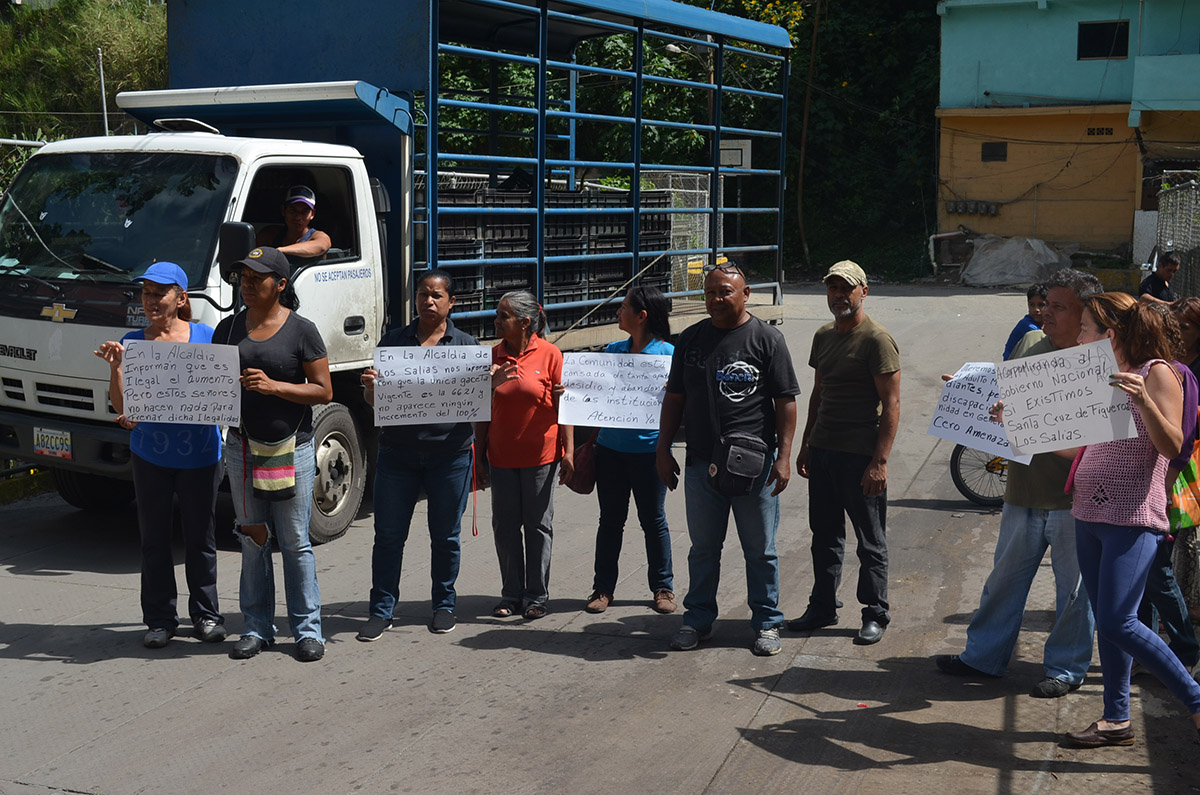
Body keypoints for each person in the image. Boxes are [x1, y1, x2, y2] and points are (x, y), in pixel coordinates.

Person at [934, 268, 1101, 698]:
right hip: (1022, 492)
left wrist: (1024, 419)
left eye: (1058, 307)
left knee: (1074, 594)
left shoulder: (1100, 361)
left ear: (1086, 312)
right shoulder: (1029, 344)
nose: (1045, 313)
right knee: (1002, 582)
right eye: (1046, 305)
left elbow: (1092, 439)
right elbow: (1002, 405)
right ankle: (982, 657)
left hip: (1074, 502)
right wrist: (968, 397)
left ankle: (1065, 669)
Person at [1063, 292, 1200, 748]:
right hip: (1089, 512)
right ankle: (1116, 719)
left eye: (1085, 328)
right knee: (1108, 620)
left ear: (1110, 333)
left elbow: (1173, 444)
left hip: (1133, 515)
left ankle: (1196, 700)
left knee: (1121, 620)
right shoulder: (1103, 378)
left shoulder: (1156, 373)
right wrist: (1016, 428)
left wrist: (1144, 401)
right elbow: (1080, 447)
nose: (1079, 336)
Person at [657, 263, 798, 657]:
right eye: (710, 293)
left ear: (745, 293)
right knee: (703, 548)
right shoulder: (690, 339)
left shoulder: (767, 339)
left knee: (761, 550)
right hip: (703, 463)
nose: (716, 300)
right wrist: (663, 448)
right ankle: (698, 620)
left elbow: (785, 402)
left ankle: (767, 622)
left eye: (725, 292)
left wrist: (783, 458)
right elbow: (675, 398)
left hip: (754, 466)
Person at [93, 262, 224, 649]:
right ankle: (160, 619)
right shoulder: (133, 342)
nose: (151, 299)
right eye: (146, 292)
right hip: (150, 454)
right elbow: (120, 405)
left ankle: (206, 614)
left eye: (160, 292)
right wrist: (116, 369)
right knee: (154, 539)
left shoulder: (206, 337)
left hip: (201, 454)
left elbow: (220, 393)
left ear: (181, 298)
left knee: (201, 539)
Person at [216, 246, 333, 662]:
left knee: (296, 542)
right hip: (241, 448)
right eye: (243, 278)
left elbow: (323, 391)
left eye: (256, 278)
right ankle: (255, 627)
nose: (246, 285)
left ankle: (307, 631)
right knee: (253, 539)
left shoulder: (302, 330)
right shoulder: (227, 330)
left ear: (280, 284)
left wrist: (274, 387)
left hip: (292, 450)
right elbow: (213, 388)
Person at [357, 269, 478, 640]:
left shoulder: (466, 347)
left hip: (450, 456)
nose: (429, 301)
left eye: (437, 295)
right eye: (424, 294)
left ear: (451, 302)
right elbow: (374, 403)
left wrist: (488, 384)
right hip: (398, 455)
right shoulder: (394, 343)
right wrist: (371, 388)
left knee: (446, 537)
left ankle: (443, 605)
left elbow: (476, 405)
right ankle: (381, 610)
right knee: (389, 536)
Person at [788, 260, 899, 646]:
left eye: (846, 289)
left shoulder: (876, 339)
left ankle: (875, 612)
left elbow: (892, 404)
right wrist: (806, 444)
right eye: (833, 288)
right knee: (825, 535)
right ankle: (822, 606)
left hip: (859, 456)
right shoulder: (824, 336)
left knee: (870, 540)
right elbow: (819, 393)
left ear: (863, 291)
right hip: (823, 452)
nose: (839, 296)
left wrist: (879, 462)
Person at [475, 290, 573, 620]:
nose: (497, 321)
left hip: (541, 459)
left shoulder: (550, 355)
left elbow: (564, 408)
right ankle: (511, 594)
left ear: (525, 322)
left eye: (504, 316)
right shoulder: (492, 357)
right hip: (501, 458)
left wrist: (569, 451)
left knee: (537, 527)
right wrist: (480, 455)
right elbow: (481, 411)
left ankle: (536, 596)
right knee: (504, 527)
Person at [583, 286, 677, 616]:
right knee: (610, 521)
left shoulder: (668, 356)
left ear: (642, 316)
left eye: (623, 307)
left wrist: (673, 392)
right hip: (610, 451)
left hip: (650, 452)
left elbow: (682, 406)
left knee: (654, 521)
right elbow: (592, 394)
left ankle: (663, 587)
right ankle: (603, 588)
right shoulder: (612, 351)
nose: (618, 312)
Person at [1171, 297, 1200, 623]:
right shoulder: (1167, 360)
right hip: (1170, 459)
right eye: (1174, 326)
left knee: (1188, 536)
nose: (1178, 333)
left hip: (1193, 462)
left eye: (1186, 327)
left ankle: (1186, 609)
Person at [256, 185, 332, 259]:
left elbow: (322, 246)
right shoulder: (271, 234)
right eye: (293, 210)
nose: (298, 217)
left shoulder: (317, 236)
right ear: (283, 211)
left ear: (312, 214)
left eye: (304, 212)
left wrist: (279, 250)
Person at [1002, 283, 1047, 360]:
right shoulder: (1028, 326)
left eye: (1041, 305)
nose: (1036, 309)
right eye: (1032, 305)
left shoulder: (1046, 322)